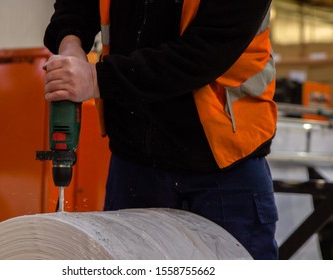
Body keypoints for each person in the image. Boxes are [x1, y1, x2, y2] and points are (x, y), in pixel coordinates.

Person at [43, 0, 279, 260]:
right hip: (134, 159)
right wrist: (70, 43)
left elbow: (207, 50)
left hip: (223, 164)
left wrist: (96, 79)